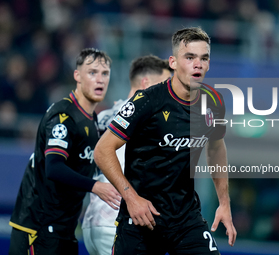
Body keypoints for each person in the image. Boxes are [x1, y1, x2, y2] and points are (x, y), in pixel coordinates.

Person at [94, 27, 237, 254]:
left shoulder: (213, 101)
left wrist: (224, 203)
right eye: (189, 57)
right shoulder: (147, 101)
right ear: (173, 62)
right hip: (141, 219)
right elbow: (102, 150)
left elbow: (216, 149)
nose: (197, 64)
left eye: (204, 58)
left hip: (185, 219)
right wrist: (131, 199)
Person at [9, 48, 121, 255]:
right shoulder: (63, 116)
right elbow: (54, 167)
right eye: (92, 72)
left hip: (64, 228)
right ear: (77, 76)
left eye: (105, 73)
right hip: (38, 226)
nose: (100, 79)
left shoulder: (91, 119)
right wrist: (95, 187)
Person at [82, 54, 172, 255]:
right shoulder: (145, 118)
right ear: (146, 83)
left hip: (92, 223)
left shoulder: (105, 115)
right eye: (164, 84)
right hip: (118, 222)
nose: (167, 91)